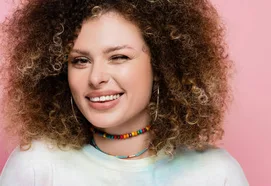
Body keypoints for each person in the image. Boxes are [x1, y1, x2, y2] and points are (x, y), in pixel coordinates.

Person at [0, 0, 248, 185]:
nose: (96, 77)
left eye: (118, 57)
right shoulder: (36, 166)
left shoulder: (216, 173)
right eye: (80, 61)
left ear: (162, 65)